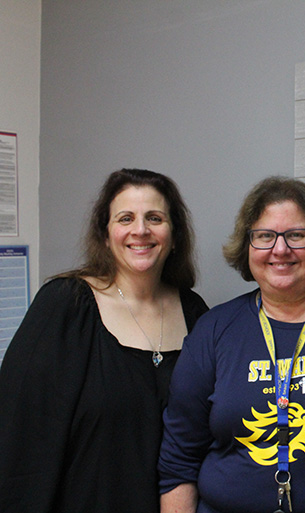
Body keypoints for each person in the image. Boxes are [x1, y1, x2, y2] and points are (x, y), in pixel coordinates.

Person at [159, 176, 305, 513]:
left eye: (297, 235)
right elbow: (178, 461)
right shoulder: (215, 330)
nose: (280, 249)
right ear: (247, 246)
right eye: (264, 236)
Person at [0, 168, 209, 513]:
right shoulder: (65, 306)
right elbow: (19, 440)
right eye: (125, 218)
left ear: (174, 235)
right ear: (106, 233)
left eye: (154, 218)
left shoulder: (197, 314)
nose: (140, 230)